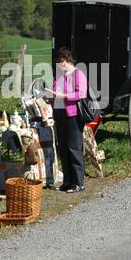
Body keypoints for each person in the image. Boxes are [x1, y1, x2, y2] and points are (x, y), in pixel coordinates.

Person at [49, 47, 87, 193]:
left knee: (74, 148)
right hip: (59, 114)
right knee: (63, 149)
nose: (59, 65)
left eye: (60, 61)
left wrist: (64, 96)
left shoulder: (78, 74)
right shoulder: (59, 76)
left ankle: (78, 182)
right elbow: (55, 94)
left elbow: (81, 93)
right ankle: (67, 181)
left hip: (72, 115)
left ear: (66, 61)